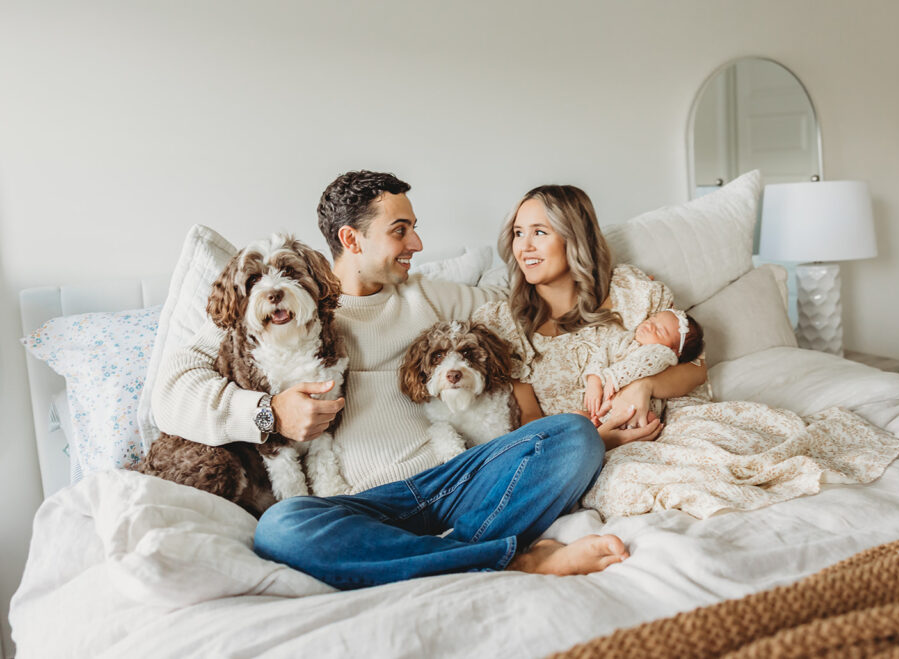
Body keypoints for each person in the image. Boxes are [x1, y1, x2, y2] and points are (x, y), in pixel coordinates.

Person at [153, 170, 640, 590]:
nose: (417, 245)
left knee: (574, 436)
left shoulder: (426, 295)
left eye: (415, 229)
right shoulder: (277, 307)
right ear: (351, 239)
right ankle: (505, 557)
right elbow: (171, 390)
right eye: (400, 230)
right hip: (358, 506)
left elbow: (527, 303)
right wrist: (268, 412)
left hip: (456, 478)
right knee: (281, 529)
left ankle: (451, 555)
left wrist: (656, 344)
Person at [472, 184, 708, 445]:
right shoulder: (505, 326)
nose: (524, 246)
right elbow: (529, 421)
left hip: (664, 436)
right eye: (518, 233)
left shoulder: (630, 292)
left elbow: (696, 369)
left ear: (574, 238)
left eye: (539, 232)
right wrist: (598, 442)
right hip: (576, 456)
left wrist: (643, 386)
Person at [582, 310, 706, 420]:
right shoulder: (624, 338)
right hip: (604, 397)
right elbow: (602, 354)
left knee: (642, 416)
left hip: (636, 404)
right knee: (579, 415)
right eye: (652, 318)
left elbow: (639, 364)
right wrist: (594, 381)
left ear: (673, 350)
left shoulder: (661, 353)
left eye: (659, 331)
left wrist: (614, 377)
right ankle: (596, 423)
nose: (650, 325)